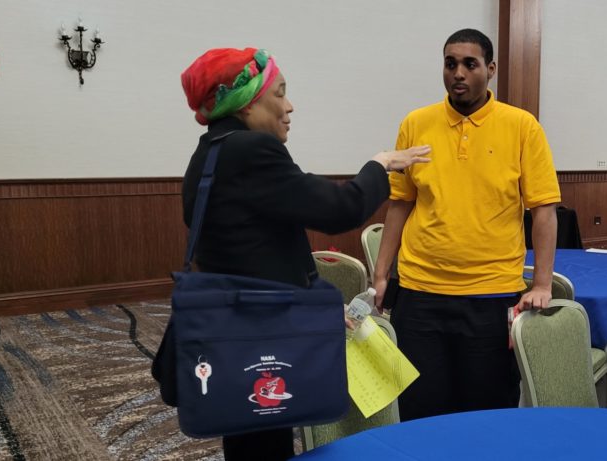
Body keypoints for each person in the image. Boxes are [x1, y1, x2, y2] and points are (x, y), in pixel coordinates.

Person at [168, 47, 430, 461]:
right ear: (247, 102)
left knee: (247, 432)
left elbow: (256, 252)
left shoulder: (209, 152)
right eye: (280, 93)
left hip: (236, 327)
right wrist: (379, 165)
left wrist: (316, 308)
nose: (289, 106)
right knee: (264, 438)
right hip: (262, 335)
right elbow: (340, 209)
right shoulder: (252, 151)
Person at [371, 28, 561, 422]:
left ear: (490, 69)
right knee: (419, 411)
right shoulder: (416, 123)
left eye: (469, 64)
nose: (458, 73)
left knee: (487, 413)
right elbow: (400, 204)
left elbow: (543, 210)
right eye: (450, 63)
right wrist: (382, 273)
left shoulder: (522, 126)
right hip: (420, 293)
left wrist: (542, 284)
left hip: (492, 295)